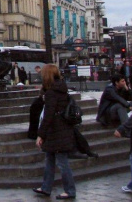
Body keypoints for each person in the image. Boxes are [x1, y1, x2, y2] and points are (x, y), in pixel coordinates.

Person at [33, 64, 76, 200]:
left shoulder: (51, 93)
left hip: (57, 131)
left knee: (62, 162)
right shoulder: (61, 89)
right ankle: (46, 187)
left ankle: (70, 190)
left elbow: (48, 115)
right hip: (61, 128)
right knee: (50, 159)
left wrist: (40, 134)